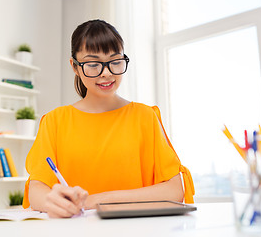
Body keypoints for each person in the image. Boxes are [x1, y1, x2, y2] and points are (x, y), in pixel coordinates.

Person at [23, 19, 195, 218]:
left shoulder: (145, 117)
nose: (106, 73)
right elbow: (36, 191)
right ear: (75, 66)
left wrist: (95, 200)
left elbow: (174, 190)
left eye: (115, 61)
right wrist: (53, 201)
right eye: (93, 64)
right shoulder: (54, 121)